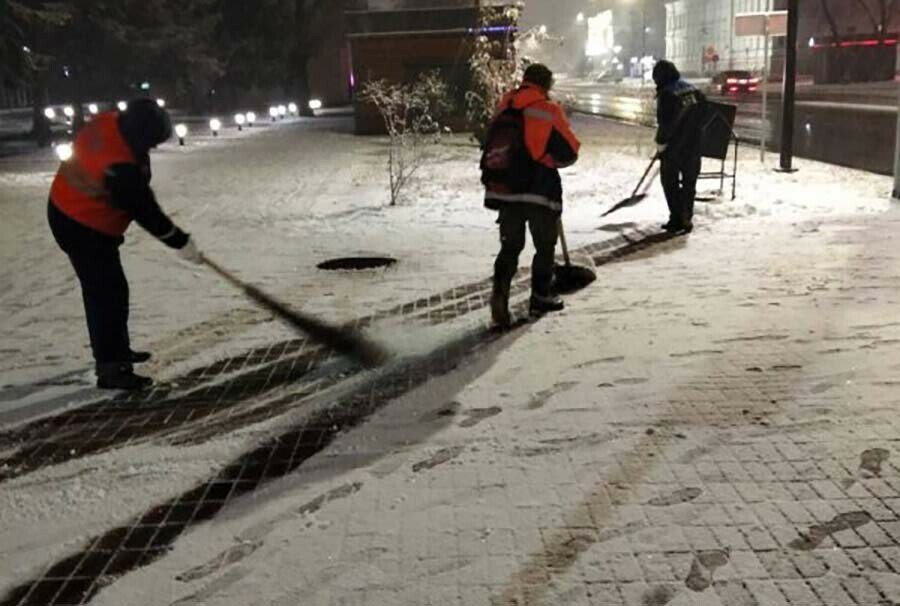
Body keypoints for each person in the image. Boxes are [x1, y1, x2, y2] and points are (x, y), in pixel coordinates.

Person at [47, 98, 204, 390]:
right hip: (80, 224)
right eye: (151, 143)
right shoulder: (117, 165)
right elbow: (144, 209)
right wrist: (178, 240)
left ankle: (117, 351)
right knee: (105, 295)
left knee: (112, 291)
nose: (152, 149)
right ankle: (111, 368)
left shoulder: (112, 122)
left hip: (71, 210)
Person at [482, 63, 581, 328]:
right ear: (546, 85)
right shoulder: (547, 110)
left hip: (505, 190)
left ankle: (499, 295)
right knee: (544, 246)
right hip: (539, 192)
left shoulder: (505, 105)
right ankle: (540, 295)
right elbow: (570, 151)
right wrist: (549, 160)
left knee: (510, 246)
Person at [653, 59, 706, 234]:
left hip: (674, 149)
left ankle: (676, 217)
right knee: (689, 183)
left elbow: (665, 124)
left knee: (669, 182)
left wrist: (661, 145)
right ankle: (686, 216)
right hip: (694, 145)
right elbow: (706, 113)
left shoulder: (667, 94)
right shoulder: (693, 90)